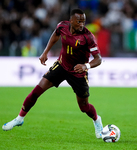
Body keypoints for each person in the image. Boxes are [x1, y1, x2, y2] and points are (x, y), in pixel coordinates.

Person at [2, 8, 103, 139]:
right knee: (36, 91)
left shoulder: (88, 36)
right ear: (71, 21)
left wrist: (86, 66)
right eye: (79, 21)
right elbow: (55, 35)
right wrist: (45, 52)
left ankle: (96, 120)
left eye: (83, 21)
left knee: (84, 107)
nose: (82, 24)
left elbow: (98, 59)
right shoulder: (62, 26)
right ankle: (19, 118)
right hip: (61, 66)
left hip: (78, 72)